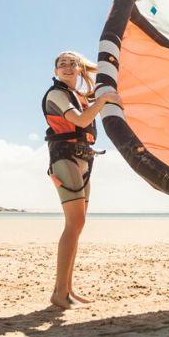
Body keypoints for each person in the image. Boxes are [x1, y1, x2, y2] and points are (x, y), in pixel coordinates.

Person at [42, 51, 121, 309]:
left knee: (79, 223)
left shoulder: (81, 96)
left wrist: (106, 90)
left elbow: (100, 89)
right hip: (65, 158)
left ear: (79, 70)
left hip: (85, 158)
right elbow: (80, 120)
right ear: (55, 71)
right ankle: (59, 293)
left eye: (72, 63)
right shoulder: (56, 94)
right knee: (74, 222)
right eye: (61, 64)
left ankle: (67, 290)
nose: (67, 67)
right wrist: (104, 100)